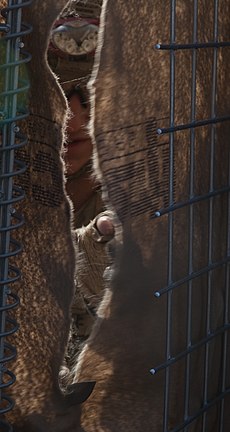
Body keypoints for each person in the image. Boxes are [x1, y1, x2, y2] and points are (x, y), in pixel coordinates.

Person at [48, 0, 115, 375]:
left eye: (89, 94)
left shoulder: (133, 186)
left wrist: (101, 240)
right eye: (56, 92)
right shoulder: (16, 178)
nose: (72, 118)